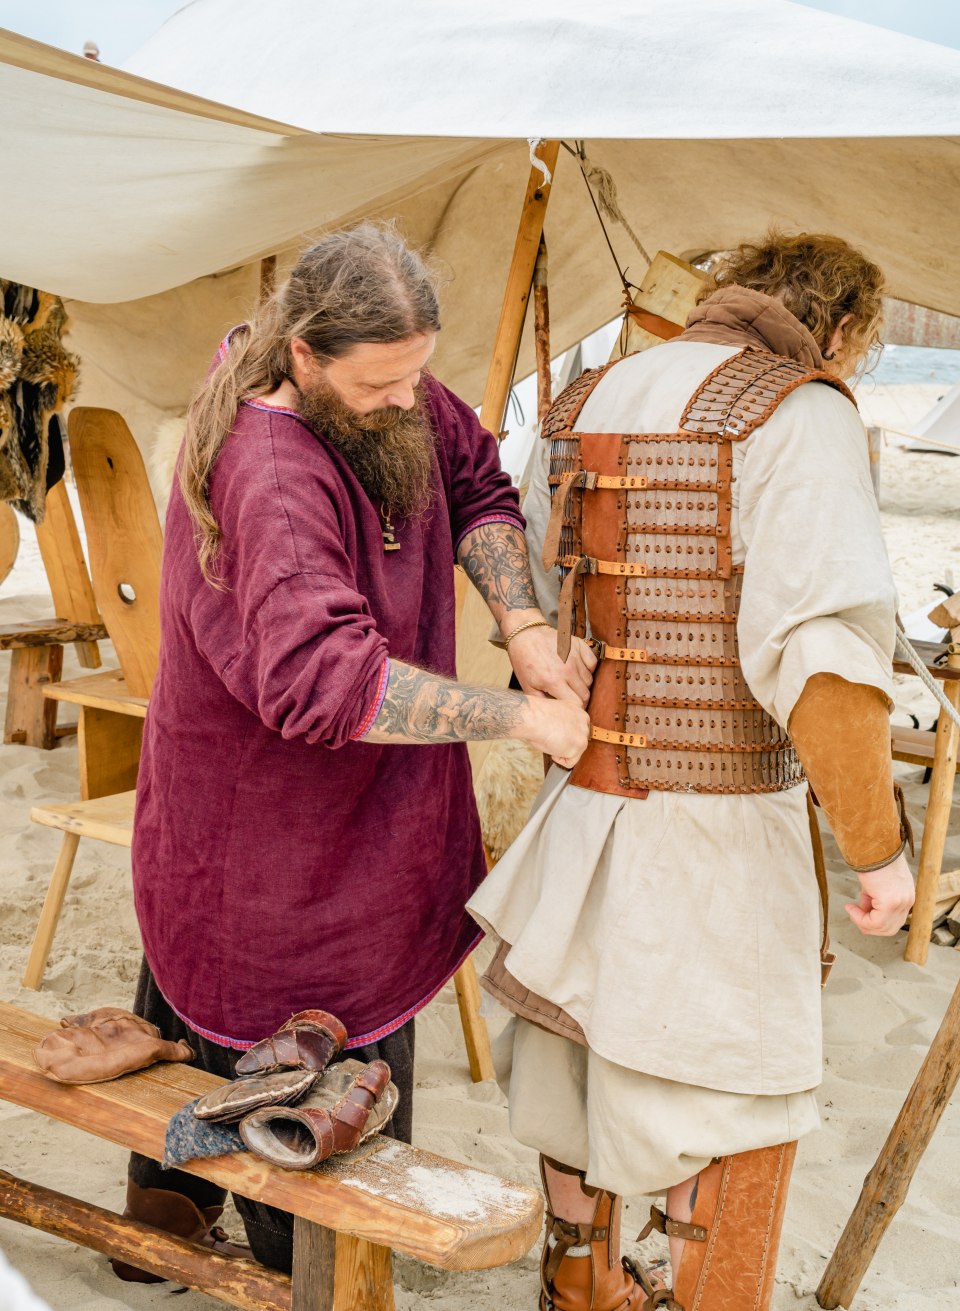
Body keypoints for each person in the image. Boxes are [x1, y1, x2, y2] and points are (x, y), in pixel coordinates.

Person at [114, 222, 592, 1279]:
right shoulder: (270, 476)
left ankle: (163, 1231)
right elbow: (328, 682)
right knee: (294, 1071)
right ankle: (268, 1266)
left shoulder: (392, 388)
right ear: (304, 357)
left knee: (226, 1000)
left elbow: (474, 479)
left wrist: (526, 630)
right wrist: (521, 716)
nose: (404, 402)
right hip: (264, 824)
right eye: (379, 387)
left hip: (369, 811)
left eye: (415, 377)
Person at [468, 231, 916, 1311]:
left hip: (585, 802)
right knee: (737, 1094)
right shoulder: (797, 411)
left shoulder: (594, 393)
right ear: (842, 331)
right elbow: (821, 664)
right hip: (718, 832)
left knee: (576, 1059)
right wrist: (882, 850)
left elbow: (536, 597)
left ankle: (580, 1288)